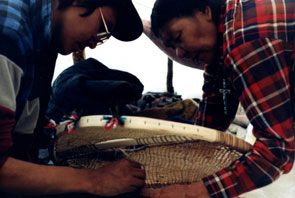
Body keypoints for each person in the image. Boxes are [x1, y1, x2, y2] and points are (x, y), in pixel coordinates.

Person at [141, 0, 295, 197]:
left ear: (204, 12)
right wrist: (190, 157)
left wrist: (193, 192)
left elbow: (276, 150)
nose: (180, 53)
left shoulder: (243, 41)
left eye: (178, 37)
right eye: (172, 47)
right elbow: (215, 108)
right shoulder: (226, 30)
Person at [0, 0, 146, 196]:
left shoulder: (44, 42)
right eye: (103, 27)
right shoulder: (7, 33)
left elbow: (22, 137)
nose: (94, 44)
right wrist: (93, 180)